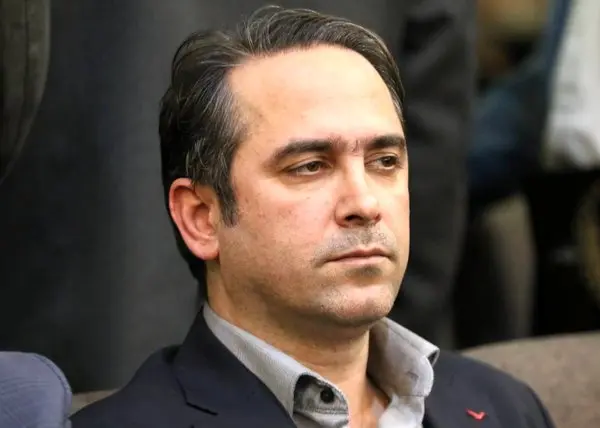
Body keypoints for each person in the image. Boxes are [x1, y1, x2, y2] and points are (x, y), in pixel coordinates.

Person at [72, 7, 554, 428]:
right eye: (309, 167)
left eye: (385, 161)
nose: (365, 203)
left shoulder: (506, 407)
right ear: (202, 217)